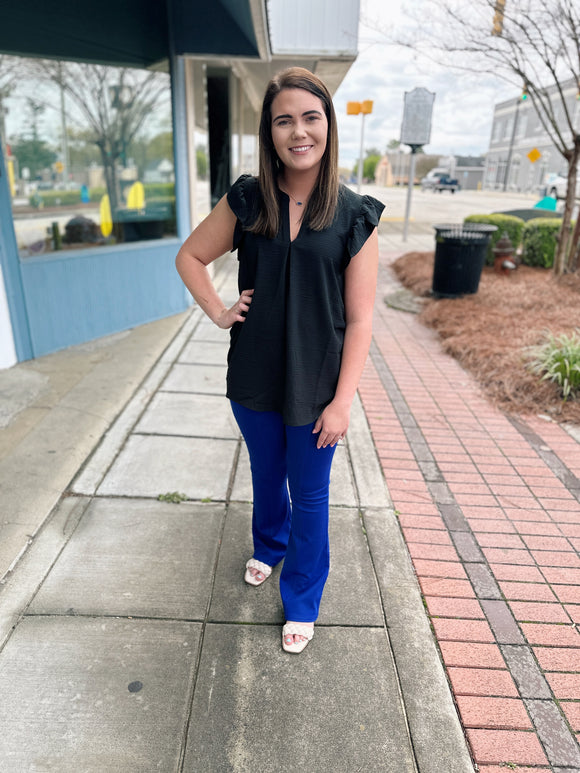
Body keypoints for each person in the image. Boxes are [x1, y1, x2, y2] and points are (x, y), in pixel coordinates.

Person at [176, 67, 384, 654]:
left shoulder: (354, 214)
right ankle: (269, 545)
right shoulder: (248, 199)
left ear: (328, 125)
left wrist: (343, 403)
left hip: (317, 385)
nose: (299, 131)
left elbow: (361, 320)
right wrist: (220, 312)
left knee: (310, 494)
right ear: (269, 132)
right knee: (267, 475)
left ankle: (303, 598)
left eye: (310, 117)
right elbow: (190, 256)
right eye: (284, 120)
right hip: (254, 374)